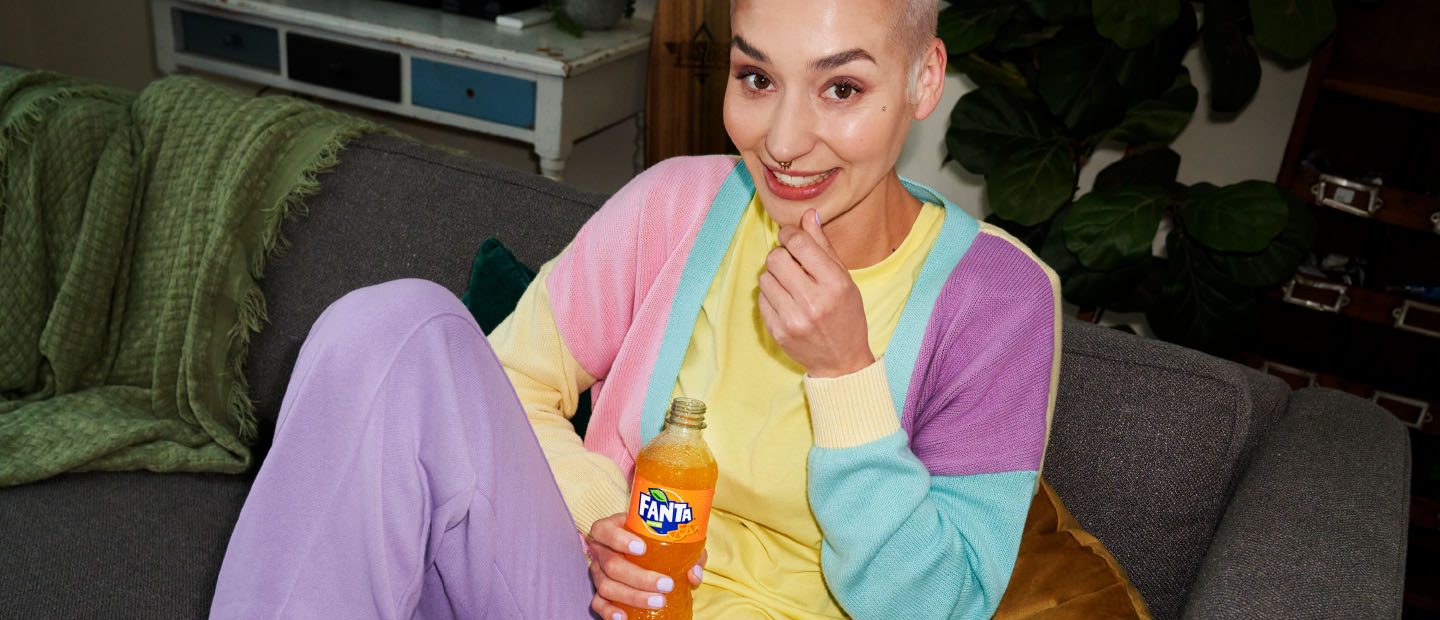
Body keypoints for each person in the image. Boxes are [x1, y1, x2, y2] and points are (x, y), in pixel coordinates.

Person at [209, 0, 1061, 618]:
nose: (785, 140)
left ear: (924, 78)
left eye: (841, 89)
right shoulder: (677, 205)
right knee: (392, 329)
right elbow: (511, 381)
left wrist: (845, 376)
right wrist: (598, 524)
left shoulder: (999, 302)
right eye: (756, 77)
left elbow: (941, 607)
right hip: (586, 599)